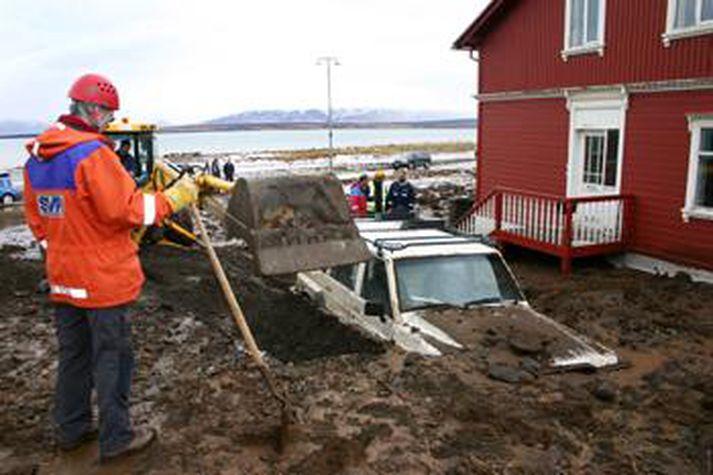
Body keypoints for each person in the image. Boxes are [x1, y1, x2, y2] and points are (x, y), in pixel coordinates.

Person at [23, 73, 198, 463]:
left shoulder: (38, 159)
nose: (109, 121)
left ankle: (71, 429)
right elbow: (131, 211)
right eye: (108, 113)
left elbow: (38, 221)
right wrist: (175, 197)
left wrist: (64, 253)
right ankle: (117, 439)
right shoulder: (93, 155)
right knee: (113, 358)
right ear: (94, 109)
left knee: (74, 357)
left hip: (63, 280)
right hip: (101, 282)